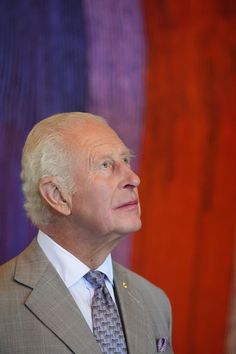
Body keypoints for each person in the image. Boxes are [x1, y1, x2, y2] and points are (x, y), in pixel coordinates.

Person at [0, 112, 174, 354]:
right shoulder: (4, 303)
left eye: (126, 160)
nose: (133, 179)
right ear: (58, 195)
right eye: (105, 165)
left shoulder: (155, 301)